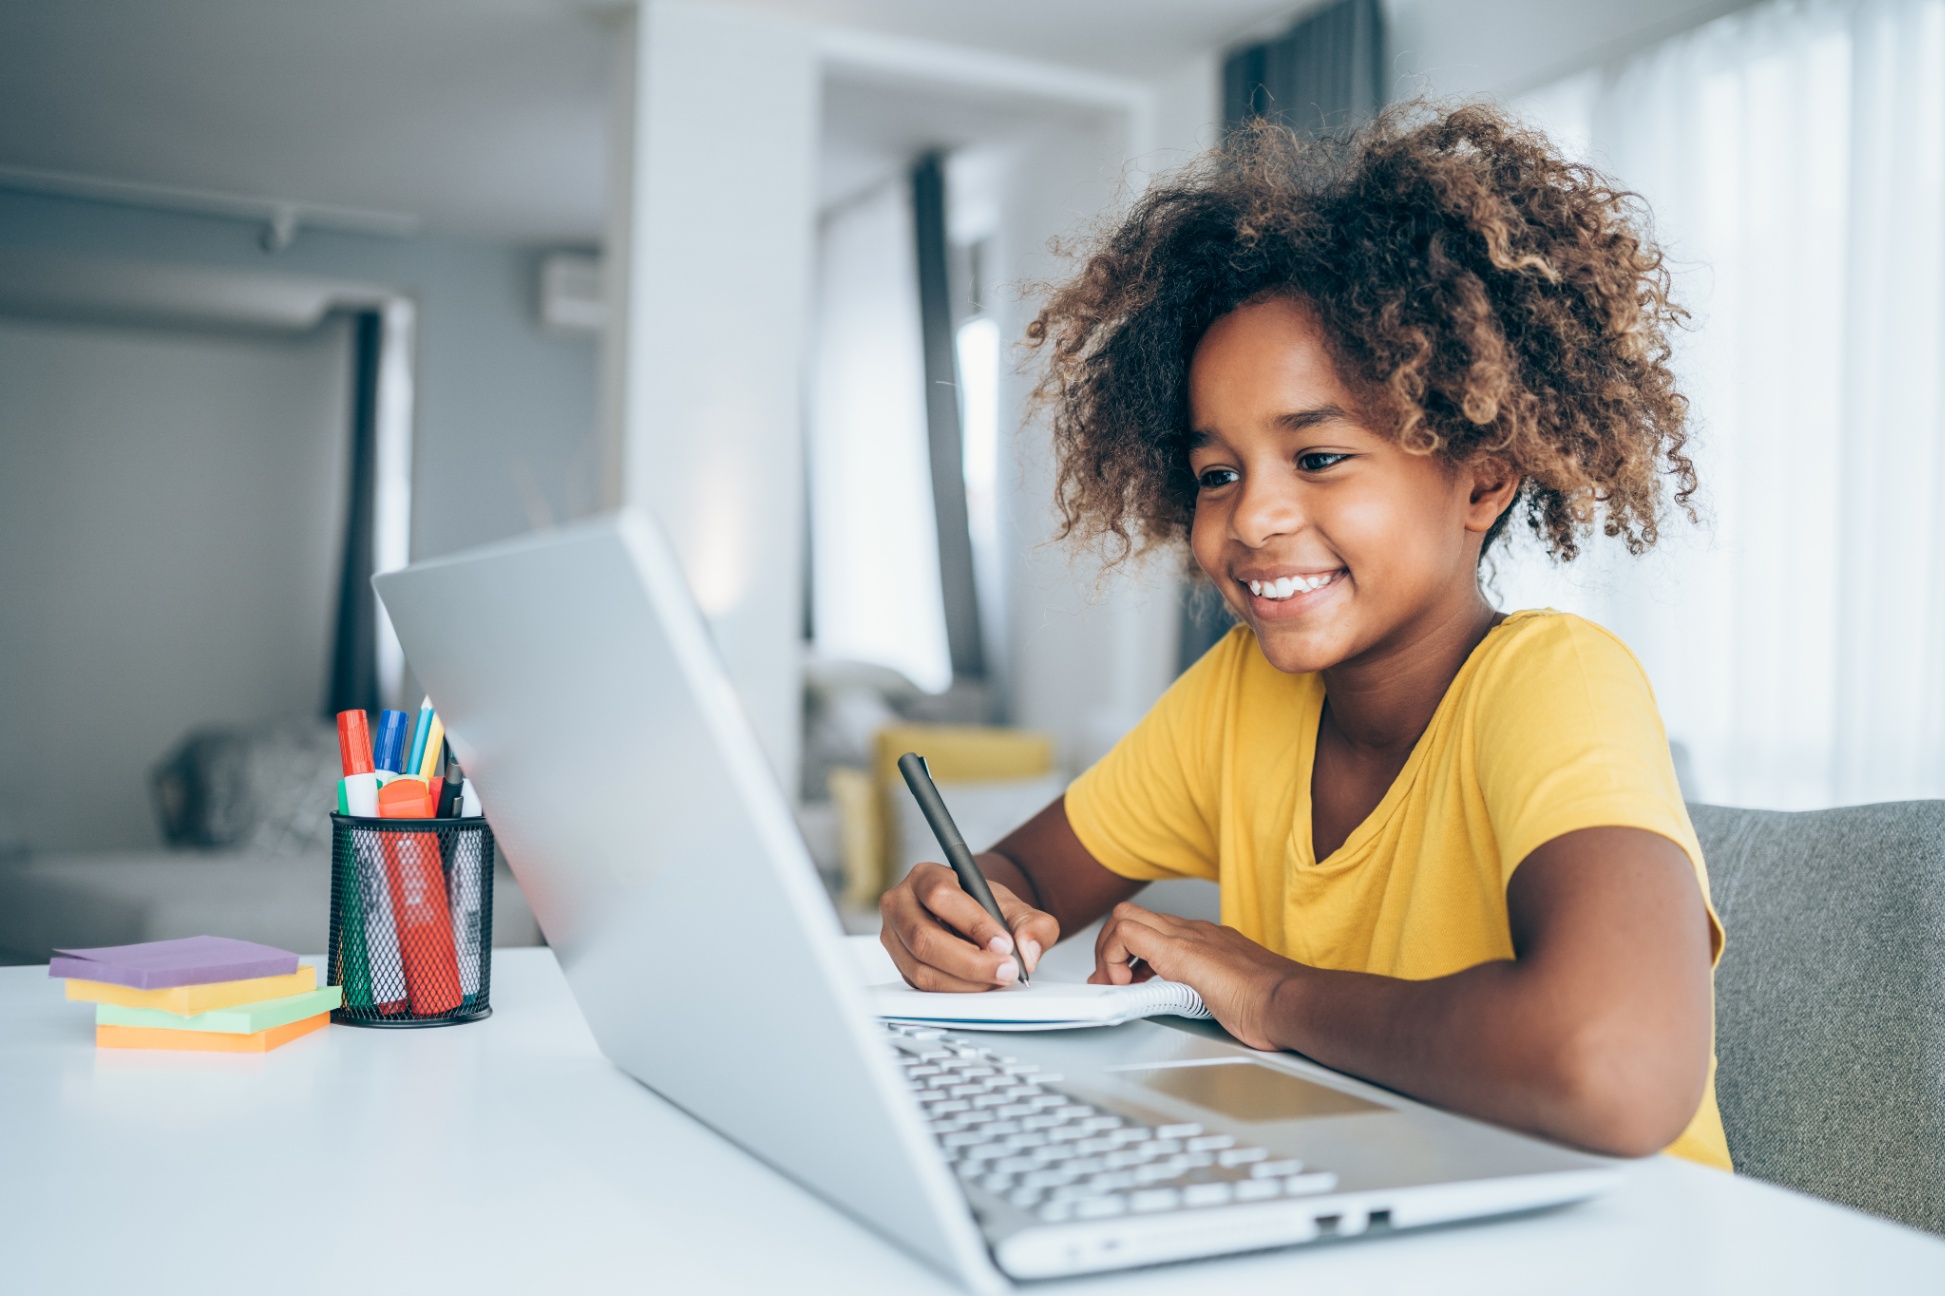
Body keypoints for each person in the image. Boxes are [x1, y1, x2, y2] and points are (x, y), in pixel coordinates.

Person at [878, 103, 1731, 1169]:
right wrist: (956, 910)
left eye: (1318, 458)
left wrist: (1267, 990)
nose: (1252, 518)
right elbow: (1024, 880)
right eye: (1216, 474)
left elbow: (1615, 1068)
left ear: (1481, 476)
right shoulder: (1240, 695)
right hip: (1374, 1200)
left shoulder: (1554, 684)